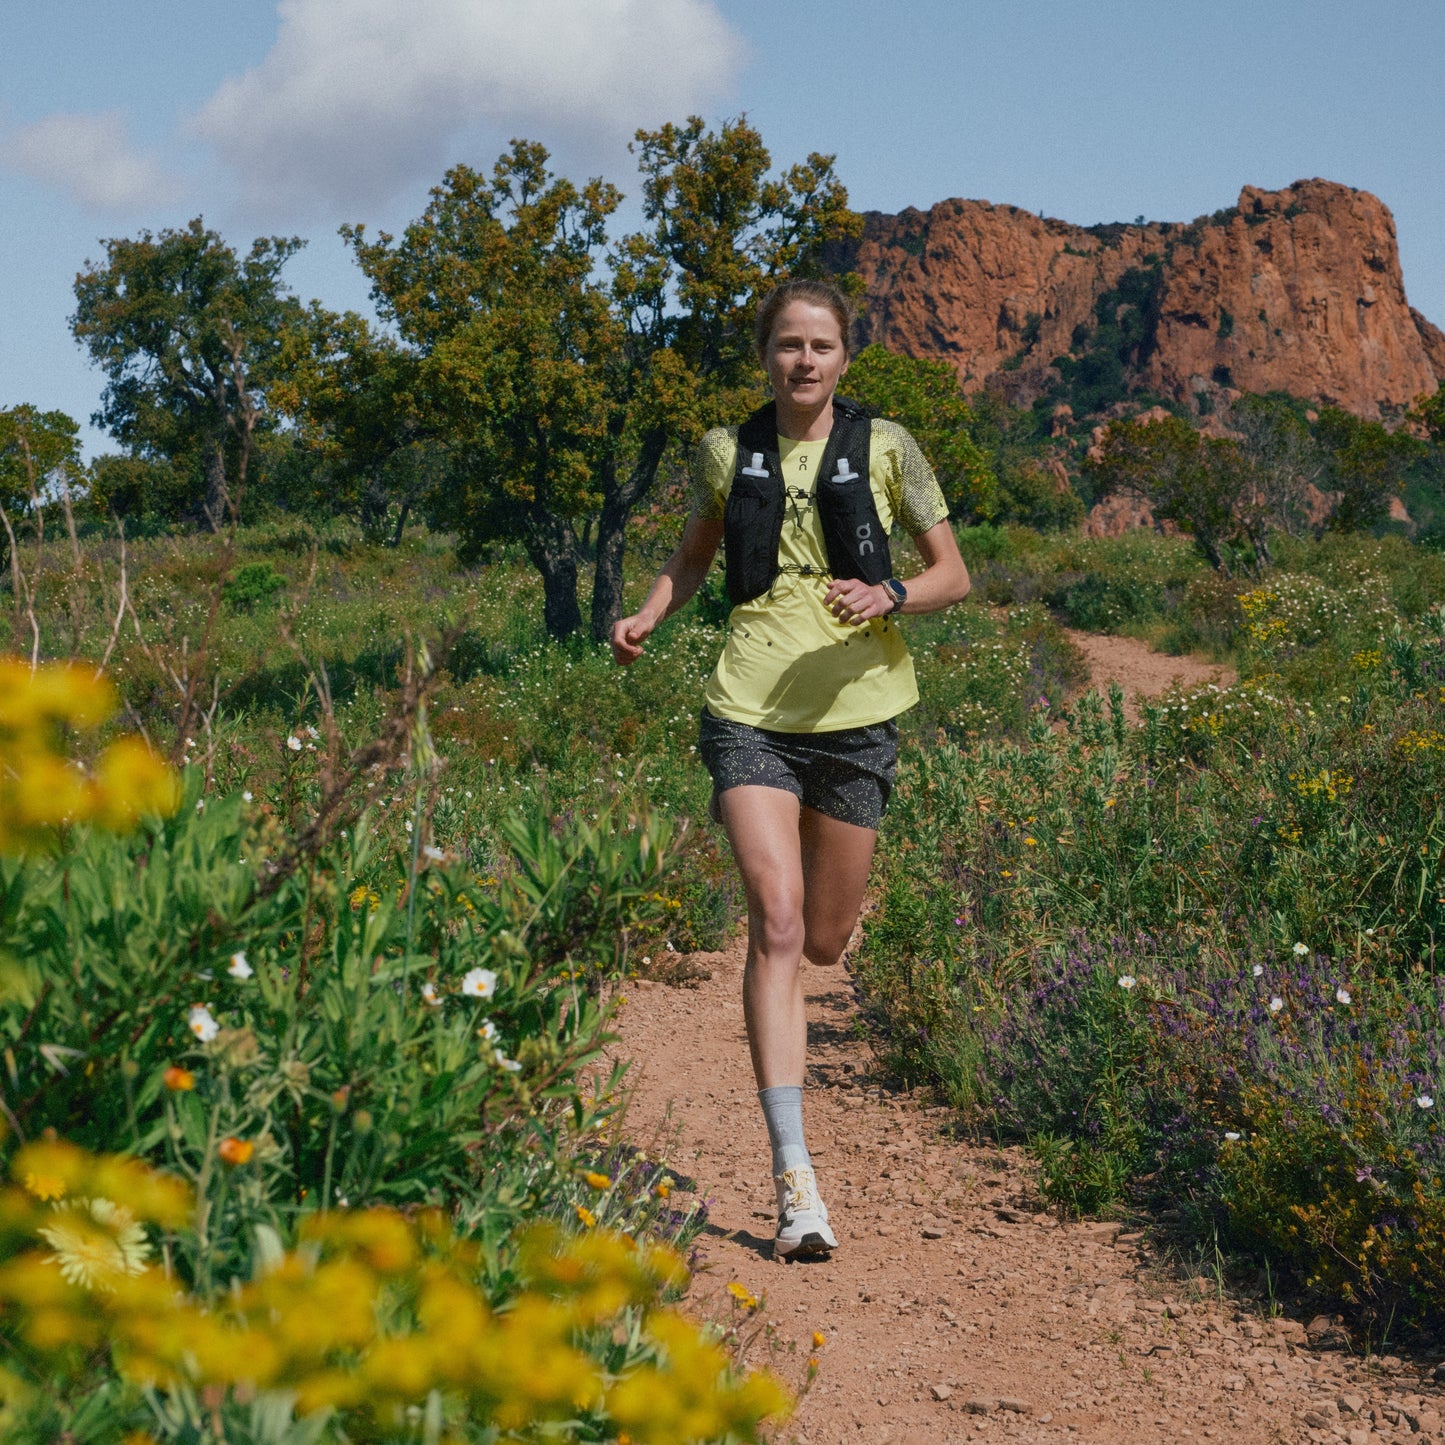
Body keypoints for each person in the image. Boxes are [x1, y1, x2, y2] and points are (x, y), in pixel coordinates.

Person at [611, 278, 971, 1260]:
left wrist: (890, 590)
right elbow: (689, 558)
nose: (802, 360)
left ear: (843, 357)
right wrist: (649, 612)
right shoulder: (726, 453)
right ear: (764, 355)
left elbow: (952, 571)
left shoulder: (888, 447)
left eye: (819, 345)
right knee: (772, 922)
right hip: (748, 715)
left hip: (858, 720)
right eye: (785, 345)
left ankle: (831, 921)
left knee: (821, 939)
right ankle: (793, 1181)